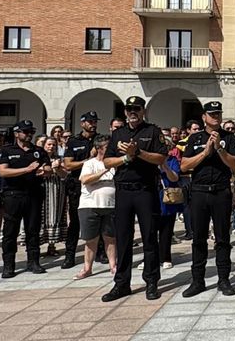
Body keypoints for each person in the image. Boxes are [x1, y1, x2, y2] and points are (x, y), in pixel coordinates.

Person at [101, 96, 169, 302]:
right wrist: (126, 158)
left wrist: (137, 152)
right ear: (125, 112)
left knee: (149, 237)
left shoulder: (153, 132)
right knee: (123, 239)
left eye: (136, 108)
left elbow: (161, 158)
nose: (133, 112)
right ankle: (122, 283)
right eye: (129, 109)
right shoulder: (118, 134)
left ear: (143, 110)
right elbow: (106, 162)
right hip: (123, 191)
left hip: (145, 191)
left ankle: (151, 282)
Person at [180, 100, 235, 297]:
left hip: (221, 191)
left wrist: (219, 149)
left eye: (218, 113)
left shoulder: (229, 138)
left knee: (223, 238)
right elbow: (184, 165)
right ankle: (198, 280)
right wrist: (206, 152)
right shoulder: (195, 138)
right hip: (199, 192)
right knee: (199, 239)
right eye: (211, 114)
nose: (215, 117)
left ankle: (224, 279)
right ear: (204, 117)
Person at [0, 120, 51, 278]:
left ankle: (33, 261)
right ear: (16, 133)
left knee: (33, 230)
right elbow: (3, 172)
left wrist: (44, 171)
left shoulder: (38, 151)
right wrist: (26, 170)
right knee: (10, 232)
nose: (28, 135)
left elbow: (47, 168)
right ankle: (9, 265)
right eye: (25, 132)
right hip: (13, 194)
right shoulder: (7, 150)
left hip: (34, 194)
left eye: (31, 132)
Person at [61, 111, 100, 269]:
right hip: (78, 185)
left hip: (97, 184)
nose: (93, 124)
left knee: (99, 218)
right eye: (90, 121)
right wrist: (88, 160)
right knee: (75, 222)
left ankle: (101, 252)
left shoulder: (100, 140)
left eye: (95, 121)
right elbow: (69, 165)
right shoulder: (74, 141)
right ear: (82, 123)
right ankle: (69, 255)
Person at [74, 135, 118, 279]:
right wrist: (104, 170)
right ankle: (87, 268)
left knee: (110, 238)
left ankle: (113, 265)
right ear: (99, 148)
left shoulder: (115, 163)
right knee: (91, 239)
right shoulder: (90, 163)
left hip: (110, 205)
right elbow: (85, 180)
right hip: (90, 205)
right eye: (107, 147)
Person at [39, 135, 68, 257]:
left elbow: (64, 175)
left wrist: (57, 169)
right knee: (40, 216)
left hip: (55, 189)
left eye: (53, 145)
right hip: (41, 189)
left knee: (54, 215)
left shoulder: (59, 159)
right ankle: (37, 246)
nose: (51, 147)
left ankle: (52, 245)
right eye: (49, 144)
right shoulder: (38, 158)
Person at [158, 143, 182, 269]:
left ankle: (165, 257)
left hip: (168, 199)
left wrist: (165, 167)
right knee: (149, 231)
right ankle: (149, 258)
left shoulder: (172, 161)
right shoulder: (150, 160)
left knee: (166, 231)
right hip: (152, 197)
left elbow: (174, 178)